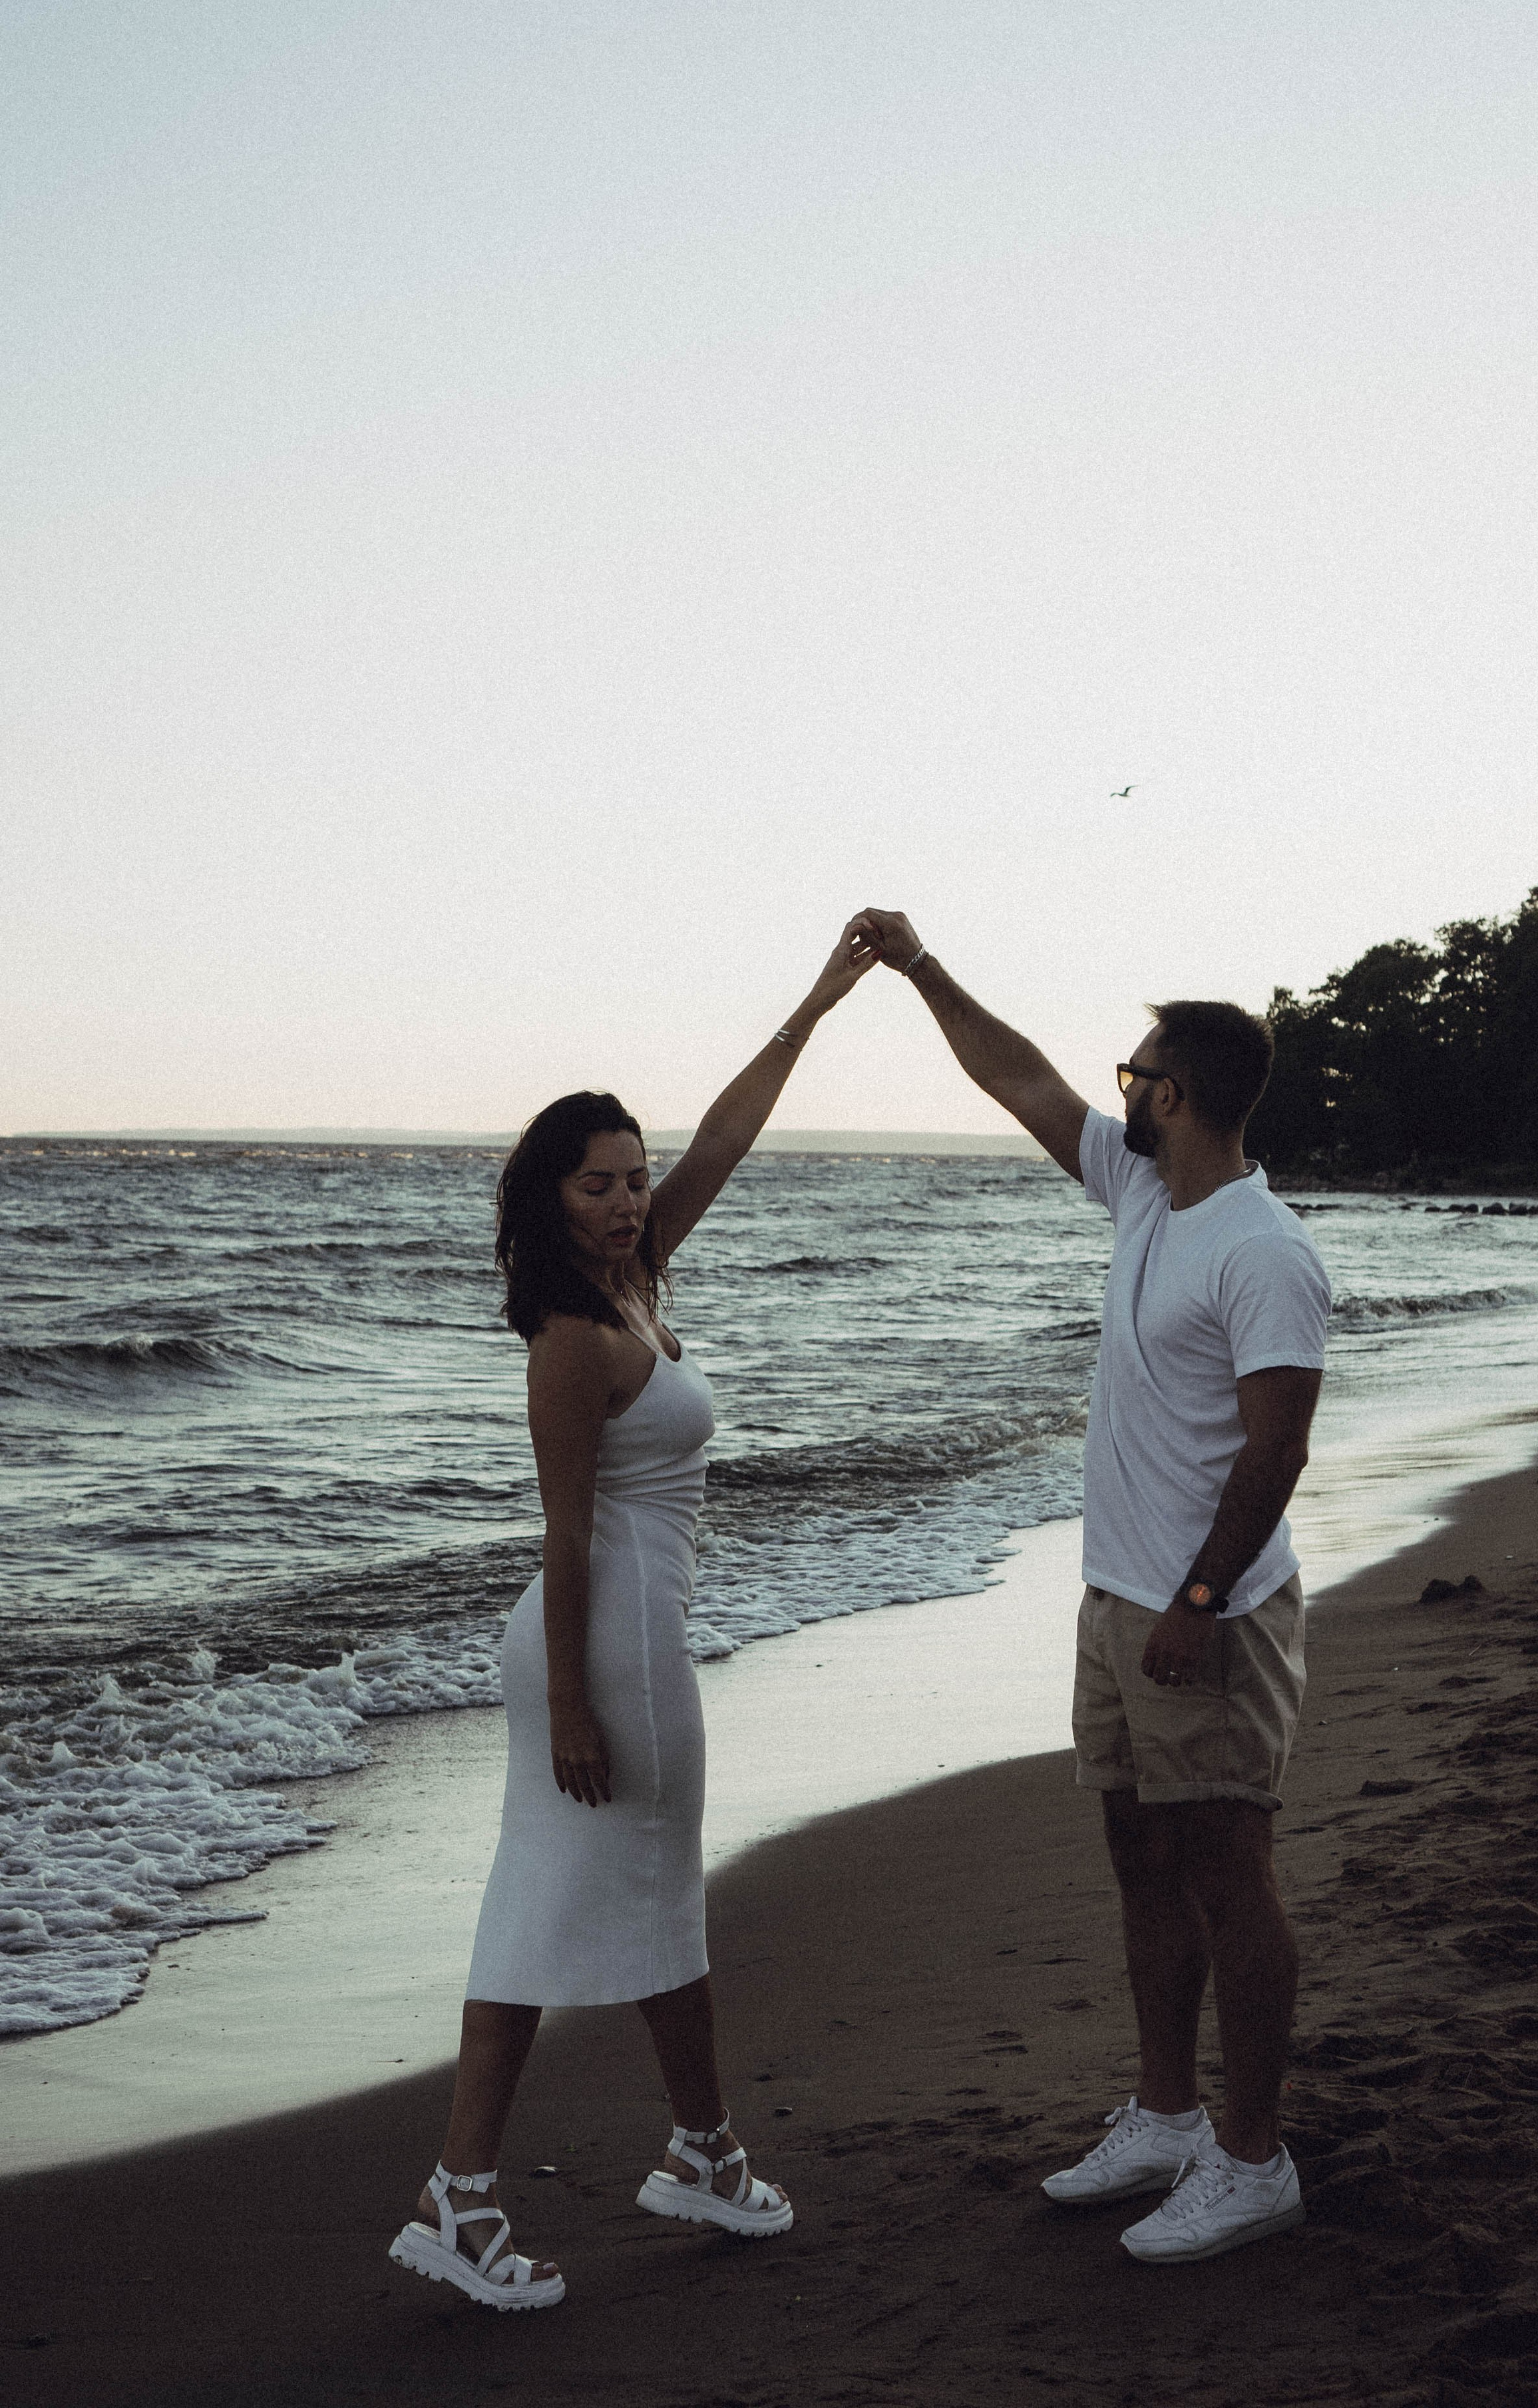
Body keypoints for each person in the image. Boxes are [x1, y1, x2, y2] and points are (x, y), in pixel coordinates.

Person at [390, 922, 875, 2310]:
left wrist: (820, 1000)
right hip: (603, 1642)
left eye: (632, 1177)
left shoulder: (638, 1280)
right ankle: (496, 2190)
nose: (624, 1198)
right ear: (548, 1199)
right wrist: (577, 1704)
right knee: (590, 1902)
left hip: (624, 1637)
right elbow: (562, 1531)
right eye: (596, 1183)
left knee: (615, 1898)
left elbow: (728, 1135)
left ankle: (675, 2154)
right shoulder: (571, 1336)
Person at [853, 909, 1330, 2265]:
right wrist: (920, 969)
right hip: (1117, 1600)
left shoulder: (1260, 1247)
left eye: (1129, 1075)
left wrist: (1193, 1602)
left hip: (1208, 1615)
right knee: (1137, 1856)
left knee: (1227, 1870)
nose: (1110, 1089)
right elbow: (1012, 1078)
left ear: (1171, 1097)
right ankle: (1169, 2117)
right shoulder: (1139, 1196)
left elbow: (1276, 1443)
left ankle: (1252, 2159)